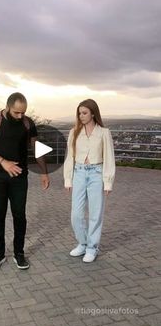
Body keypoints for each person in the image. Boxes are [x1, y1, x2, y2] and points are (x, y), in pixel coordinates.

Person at [0, 92, 50, 270]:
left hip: (19, 177)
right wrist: (4, 163)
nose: (20, 116)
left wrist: (44, 172)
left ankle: (19, 253)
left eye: (23, 112)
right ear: (8, 107)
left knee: (19, 215)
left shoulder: (27, 123)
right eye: (17, 112)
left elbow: (37, 148)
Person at [64, 99, 115, 263]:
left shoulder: (104, 133)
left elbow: (109, 158)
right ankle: (83, 243)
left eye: (84, 113)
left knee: (95, 214)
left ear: (93, 113)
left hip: (96, 174)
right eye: (79, 113)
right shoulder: (74, 132)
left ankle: (92, 247)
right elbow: (69, 157)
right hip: (78, 172)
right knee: (76, 214)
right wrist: (68, 179)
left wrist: (108, 182)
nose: (81, 116)